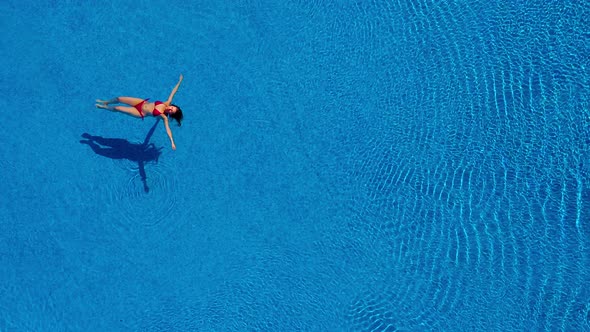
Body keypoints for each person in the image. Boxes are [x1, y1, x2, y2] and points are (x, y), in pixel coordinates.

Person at [96, 74, 184, 150]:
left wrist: (172, 141)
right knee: (119, 98)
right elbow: (173, 92)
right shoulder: (166, 103)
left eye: (171, 111)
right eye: (172, 107)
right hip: (141, 102)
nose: (170, 109)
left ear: (171, 114)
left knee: (118, 108)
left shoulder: (163, 117)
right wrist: (180, 81)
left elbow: (167, 129)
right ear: (172, 105)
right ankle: (106, 102)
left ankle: (104, 107)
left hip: (140, 112)